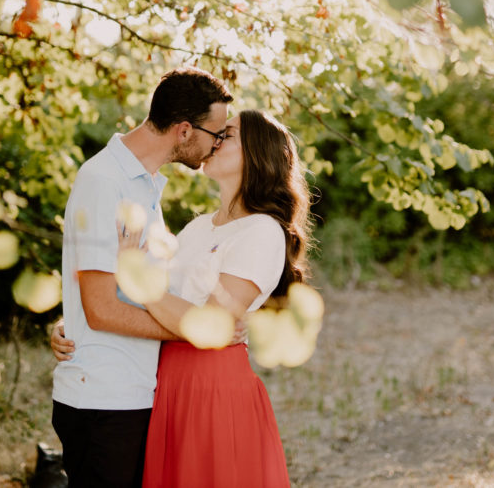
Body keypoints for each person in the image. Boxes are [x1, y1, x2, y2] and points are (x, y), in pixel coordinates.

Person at [55, 109, 311, 488]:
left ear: (258, 153)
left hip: (213, 391)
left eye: (228, 135)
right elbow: (160, 306)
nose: (215, 141)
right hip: (164, 381)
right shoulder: (197, 228)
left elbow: (209, 324)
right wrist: (71, 322)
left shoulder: (262, 231)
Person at [51, 67, 233, 488]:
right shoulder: (104, 182)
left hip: (132, 393)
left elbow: (100, 300)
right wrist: (193, 333)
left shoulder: (145, 185)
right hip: (103, 399)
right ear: (185, 130)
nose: (217, 144)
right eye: (216, 133)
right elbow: (100, 310)